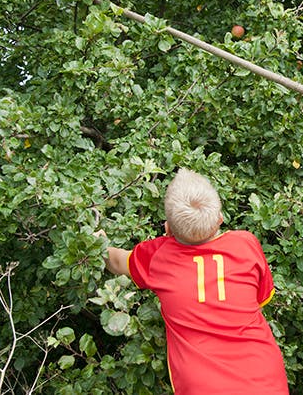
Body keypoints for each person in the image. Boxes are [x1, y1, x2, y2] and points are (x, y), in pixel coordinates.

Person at [102, 168, 289, 395]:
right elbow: (262, 299)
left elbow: (116, 262)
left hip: (202, 386)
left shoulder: (157, 255)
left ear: (167, 229)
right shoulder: (246, 244)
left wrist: (98, 244)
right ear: (220, 219)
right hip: (265, 379)